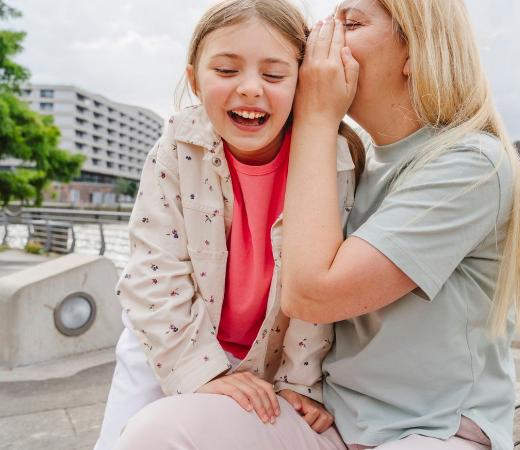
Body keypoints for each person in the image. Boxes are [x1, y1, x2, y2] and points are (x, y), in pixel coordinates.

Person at [115, 1, 520, 449]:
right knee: (157, 432)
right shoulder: (362, 162)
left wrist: (317, 115)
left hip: (433, 429)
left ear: (417, 49)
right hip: (333, 424)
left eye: (351, 23)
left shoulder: (470, 164)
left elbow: (311, 295)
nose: (324, 34)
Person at [94, 1, 363, 448]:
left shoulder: (330, 161)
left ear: (303, 84)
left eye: (275, 76)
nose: (251, 89)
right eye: (226, 71)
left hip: (273, 356)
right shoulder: (175, 149)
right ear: (195, 79)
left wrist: (301, 383)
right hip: (170, 340)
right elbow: (152, 275)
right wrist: (200, 370)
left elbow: (317, 289)